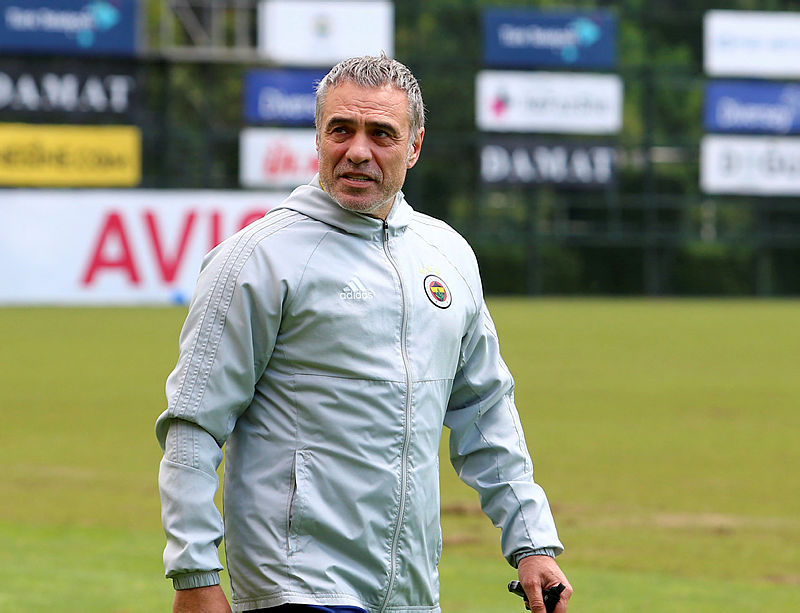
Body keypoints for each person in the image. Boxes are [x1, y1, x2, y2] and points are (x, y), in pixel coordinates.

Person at [156, 54, 571, 613]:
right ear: (318, 137)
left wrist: (531, 542)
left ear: (414, 146)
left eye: (380, 133)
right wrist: (195, 572)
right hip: (296, 586)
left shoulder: (447, 255)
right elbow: (193, 423)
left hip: (411, 592)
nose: (357, 150)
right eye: (340, 130)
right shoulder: (256, 258)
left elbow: (486, 411)